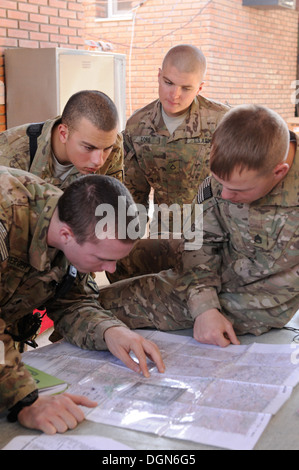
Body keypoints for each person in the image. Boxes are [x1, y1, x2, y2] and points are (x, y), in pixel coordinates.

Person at [98, 104, 299, 347]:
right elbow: (199, 241)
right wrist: (204, 304)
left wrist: (206, 309)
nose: (224, 194)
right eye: (218, 182)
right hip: (221, 259)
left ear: (279, 172)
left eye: (237, 190)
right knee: (124, 255)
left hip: (249, 296)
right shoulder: (231, 170)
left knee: (103, 306)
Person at [0, 168, 164, 434]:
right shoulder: (6, 213)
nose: (110, 270)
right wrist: (25, 399)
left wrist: (110, 331)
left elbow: (72, 302)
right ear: (66, 235)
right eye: (103, 258)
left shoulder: (72, 221)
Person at [109, 44, 230, 282]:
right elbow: (134, 197)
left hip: (214, 237)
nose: (175, 95)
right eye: (168, 83)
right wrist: (123, 245)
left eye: (186, 88)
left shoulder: (223, 123)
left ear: (200, 87)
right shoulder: (138, 126)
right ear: (158, 76)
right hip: (164, 236)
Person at [0, 90, 124, 189]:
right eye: (88, 147)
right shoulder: (10, 153)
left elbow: (112, 207)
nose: (99, 161)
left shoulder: (113, 144)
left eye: (107, 148)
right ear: (63, 133)